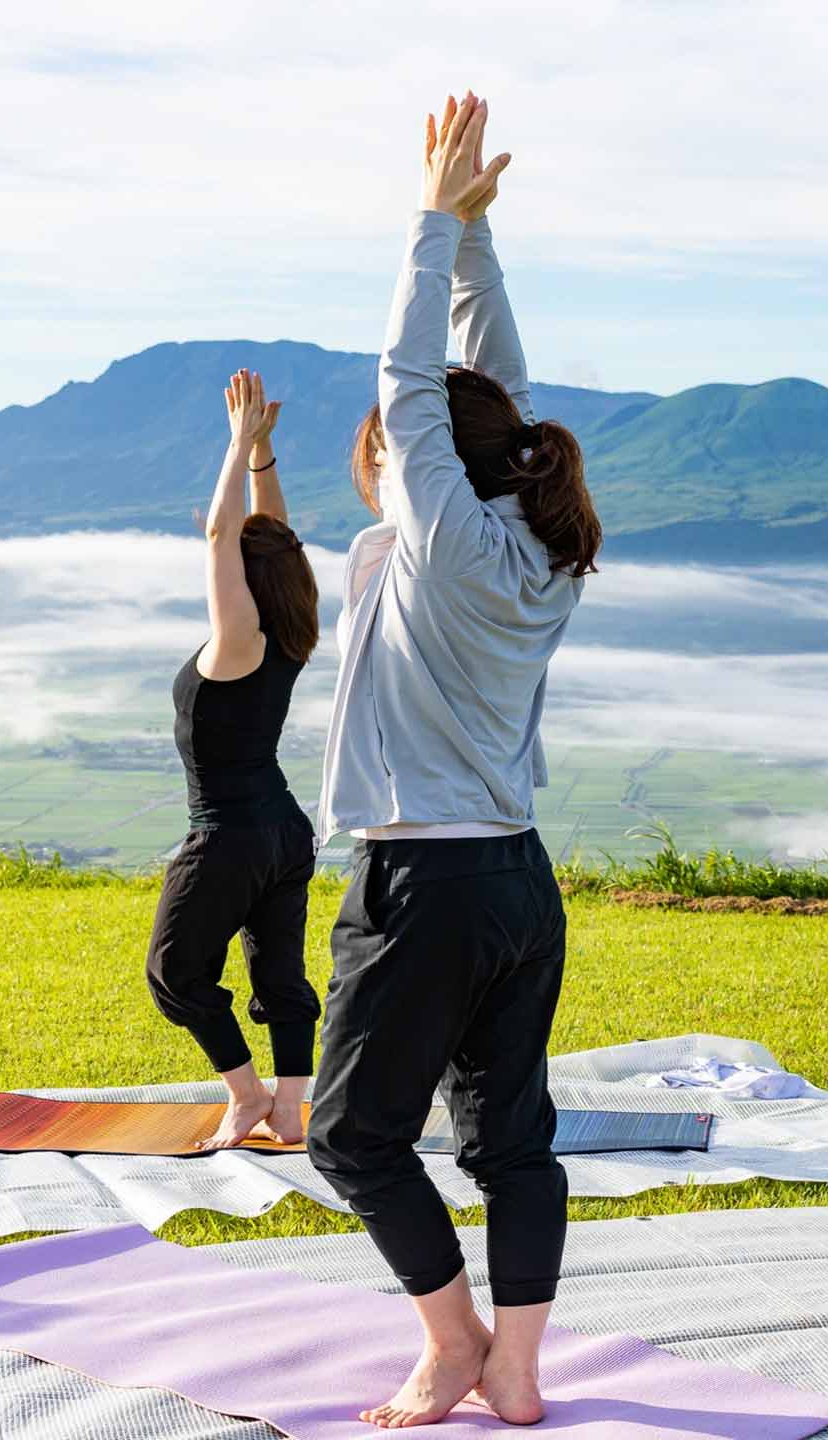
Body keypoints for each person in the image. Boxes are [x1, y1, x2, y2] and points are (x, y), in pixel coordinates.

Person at [306, 91, 600, 1429]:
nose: (382, 460)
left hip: (424, 892)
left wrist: (431, 223)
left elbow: (417, 387)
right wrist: (480, 241)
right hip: (516, 889)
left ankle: (454, 1341)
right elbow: (497, 399)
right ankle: (522, 1372)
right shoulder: (533, 537)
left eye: (393, 455)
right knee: (507, 1141)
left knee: (352, 1135)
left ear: (428, 473)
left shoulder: (448, 545)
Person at [143, 368, 322, 1152]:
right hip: (285, 832)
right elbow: (267, 540)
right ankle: (291, 1106)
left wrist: (237, 442)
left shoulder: (237, 641)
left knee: (175, 975)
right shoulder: (285, 629)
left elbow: (226, 538)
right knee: (277, 974)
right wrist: (263, 458)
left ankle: (247, 1096)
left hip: (229, 838)